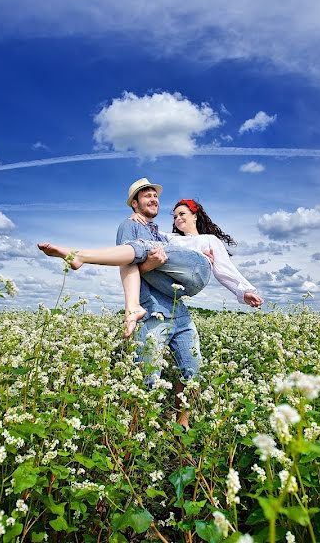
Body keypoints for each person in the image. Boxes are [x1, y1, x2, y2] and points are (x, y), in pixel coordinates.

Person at [38, 178, 263, 428]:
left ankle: (81, 255)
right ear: (134, 204)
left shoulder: (204, 240)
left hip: (197, 271)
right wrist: (141, 283)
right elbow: (130, 261)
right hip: (162, 307)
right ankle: (152, 430)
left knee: (149, 249)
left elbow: (225, 269)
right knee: (162, 375)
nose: (175, 217)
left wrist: (245, 291)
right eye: (146, 196)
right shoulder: (154, 233)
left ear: (195, 216)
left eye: (182, 214)